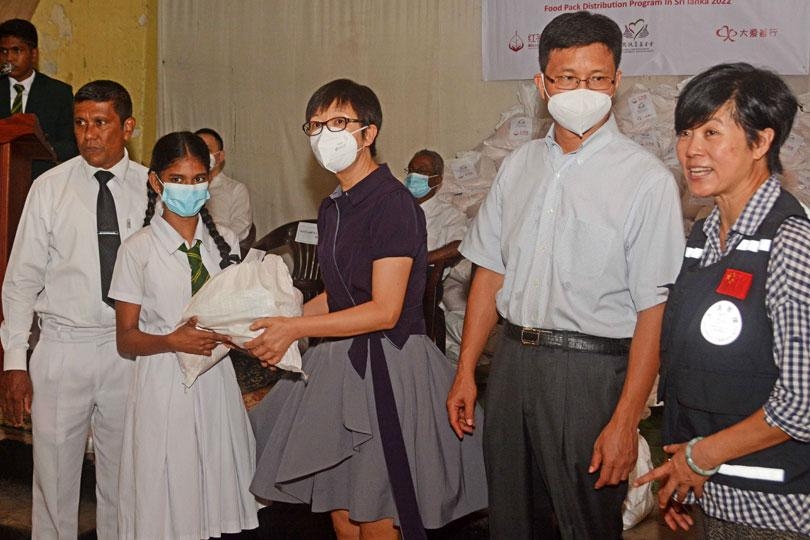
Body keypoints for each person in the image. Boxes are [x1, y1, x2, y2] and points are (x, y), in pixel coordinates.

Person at [446, 10, 685, 539]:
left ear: (617, 82)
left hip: (591, 374)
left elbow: (655, 311)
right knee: (510, 519)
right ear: (542, 84)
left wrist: (626, 421)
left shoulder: (645, 181)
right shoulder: (519, 165)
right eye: (567, 78)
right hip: (510, 367)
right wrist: (466, 369)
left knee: (584, 523)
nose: (583, 90)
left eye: (597, 78)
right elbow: (489, 272)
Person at [246, 78, 487, 540]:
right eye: (315, 126)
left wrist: (294, 328)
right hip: (338, 364)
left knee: (376, 511)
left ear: (368, 132)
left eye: (338, 122)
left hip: (386, 368)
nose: (324, 135)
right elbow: (340, 294)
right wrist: (277, 319)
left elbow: (384, 310)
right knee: (341, 508)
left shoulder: (393, 204)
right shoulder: (333, 207)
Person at [636, 63, 810, 539]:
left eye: (712, 132)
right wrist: (683, 473)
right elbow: (694, 367)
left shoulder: (790, 244)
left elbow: (802, 404)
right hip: (714, 498)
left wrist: (699, 457)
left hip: (775, 511)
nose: (692, 149)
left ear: (761, 143)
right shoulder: (705, 238)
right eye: (686, 132)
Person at [0, 80, 147, 538]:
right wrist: (13, 362)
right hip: (62, 348)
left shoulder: (153, 188)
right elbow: (20, 280)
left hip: (128, 350)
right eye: (80, 123)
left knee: (125, 481)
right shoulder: (50, 188)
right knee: (54, 481)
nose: (89, 135)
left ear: (127, 127)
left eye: (100, 123)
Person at [110, 131, 258, 539]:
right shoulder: (137, 249)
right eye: (177, 179)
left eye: (197, 179)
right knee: (166, 491)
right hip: (163, 382)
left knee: (213, 485)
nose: (188, 188)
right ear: (157, 182)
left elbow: (237, 311)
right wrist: (171, 341)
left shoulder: (224, 241)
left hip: (215, 383)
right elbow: (126, 337)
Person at [405, 149, 470, 361]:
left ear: (438, 179)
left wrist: (422, 260)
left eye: (422, 171)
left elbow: (459, 244)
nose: (415, 175)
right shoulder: (396, 207)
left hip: (421, 283)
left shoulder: (448, 214)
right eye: (412, 170)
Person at [0, 18, 77, 178]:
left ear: (33, 54)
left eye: (17, 50)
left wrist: (42, 147)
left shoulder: (58, 93)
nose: (9, 58)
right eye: (4, 51)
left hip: (41, 179)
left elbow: (70, 144)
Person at [194, 128, 253, 242]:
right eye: (196, 150)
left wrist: (212, 241)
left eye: (207, 150)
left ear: (220, 156)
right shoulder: (182, 189)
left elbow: (241, 226)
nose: (201, 155)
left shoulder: (235, 189)